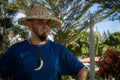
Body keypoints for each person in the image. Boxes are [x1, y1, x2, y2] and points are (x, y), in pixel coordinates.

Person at [0, 3, 88, 80]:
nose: (46, 26)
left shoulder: (58, 50)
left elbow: (82, 70)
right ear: (29, 25)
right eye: (40, 22)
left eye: (48, 23)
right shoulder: (16, 50)